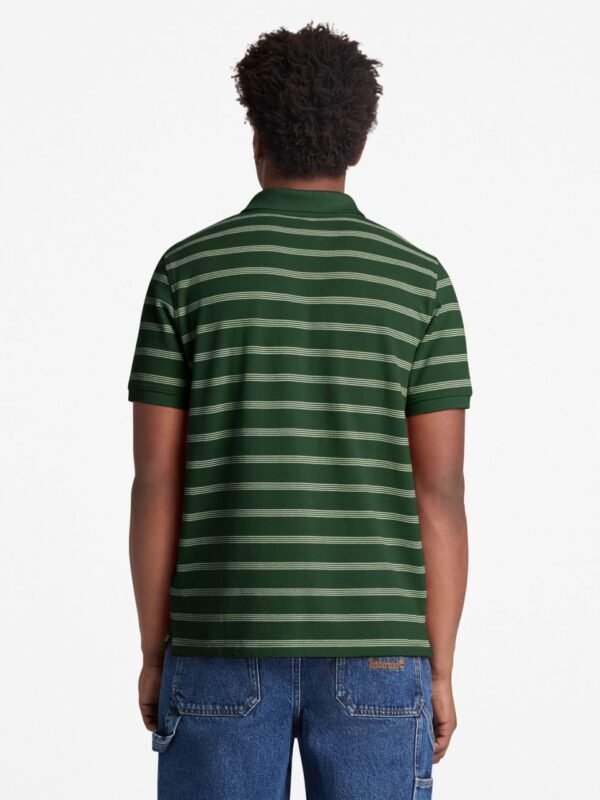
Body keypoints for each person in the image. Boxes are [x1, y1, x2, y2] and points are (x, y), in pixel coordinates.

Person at [127, 21, 472, 800]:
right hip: (380, 652)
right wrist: (440, 667)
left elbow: (156, 480)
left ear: (256, 133)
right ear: (359, 143)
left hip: (218, 642)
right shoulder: (418, 282)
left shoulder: (188, 272)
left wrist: (154, 651)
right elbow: (440, 490)